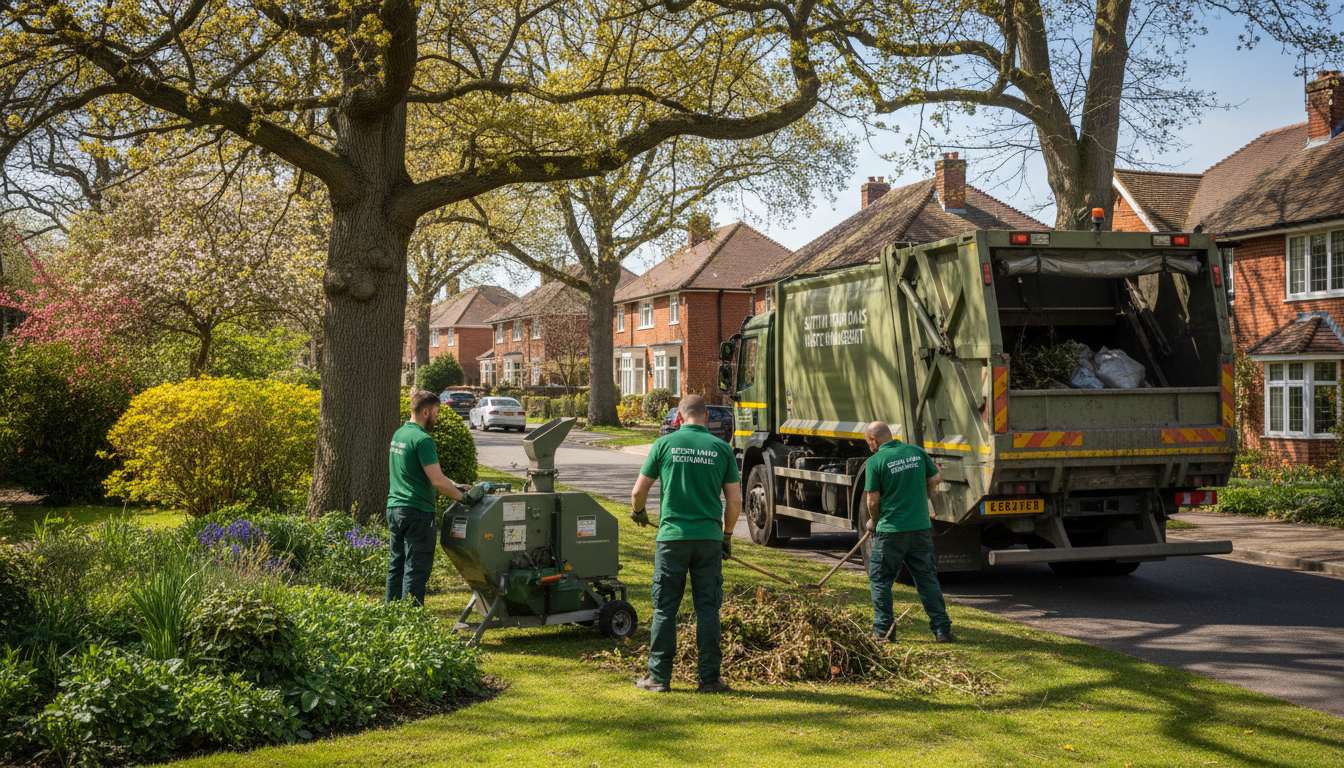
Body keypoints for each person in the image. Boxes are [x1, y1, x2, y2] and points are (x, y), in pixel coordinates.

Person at [629, 393, 741, 693]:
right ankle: (709, 679)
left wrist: (638, 513)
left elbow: (638, 493)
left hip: (672, 539)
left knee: (666, 607)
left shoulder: (663, 444)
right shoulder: (721, 449)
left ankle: (658, 678)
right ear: (706, 418)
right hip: (708, 540)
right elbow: (734, 502)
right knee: (707, 608)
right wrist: (727, 536)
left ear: (678, 418)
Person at [386, 389, 484, 605]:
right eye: (437, 413)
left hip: (395, 510)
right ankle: (412, 623)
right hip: (417, 512)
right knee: (416, 569)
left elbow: (429, 473)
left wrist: (456, 485)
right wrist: (463, 498)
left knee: (397, 565)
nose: (437, 418)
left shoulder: (400, 434)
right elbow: (437, 482)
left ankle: (391, 617)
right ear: (426, 411)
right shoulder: (423, 440)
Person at [862, 421, 955, 643]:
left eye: (869, 443)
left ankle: (883, 631)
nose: (870, 447)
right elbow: (936, 479)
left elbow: (872, 500)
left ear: (874, 440)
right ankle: (942, 631)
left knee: (880, 579)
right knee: (926, 578)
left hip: (891, 531)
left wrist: (873, 520)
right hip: (920, 528)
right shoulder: (916, 451)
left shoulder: (875, 461)